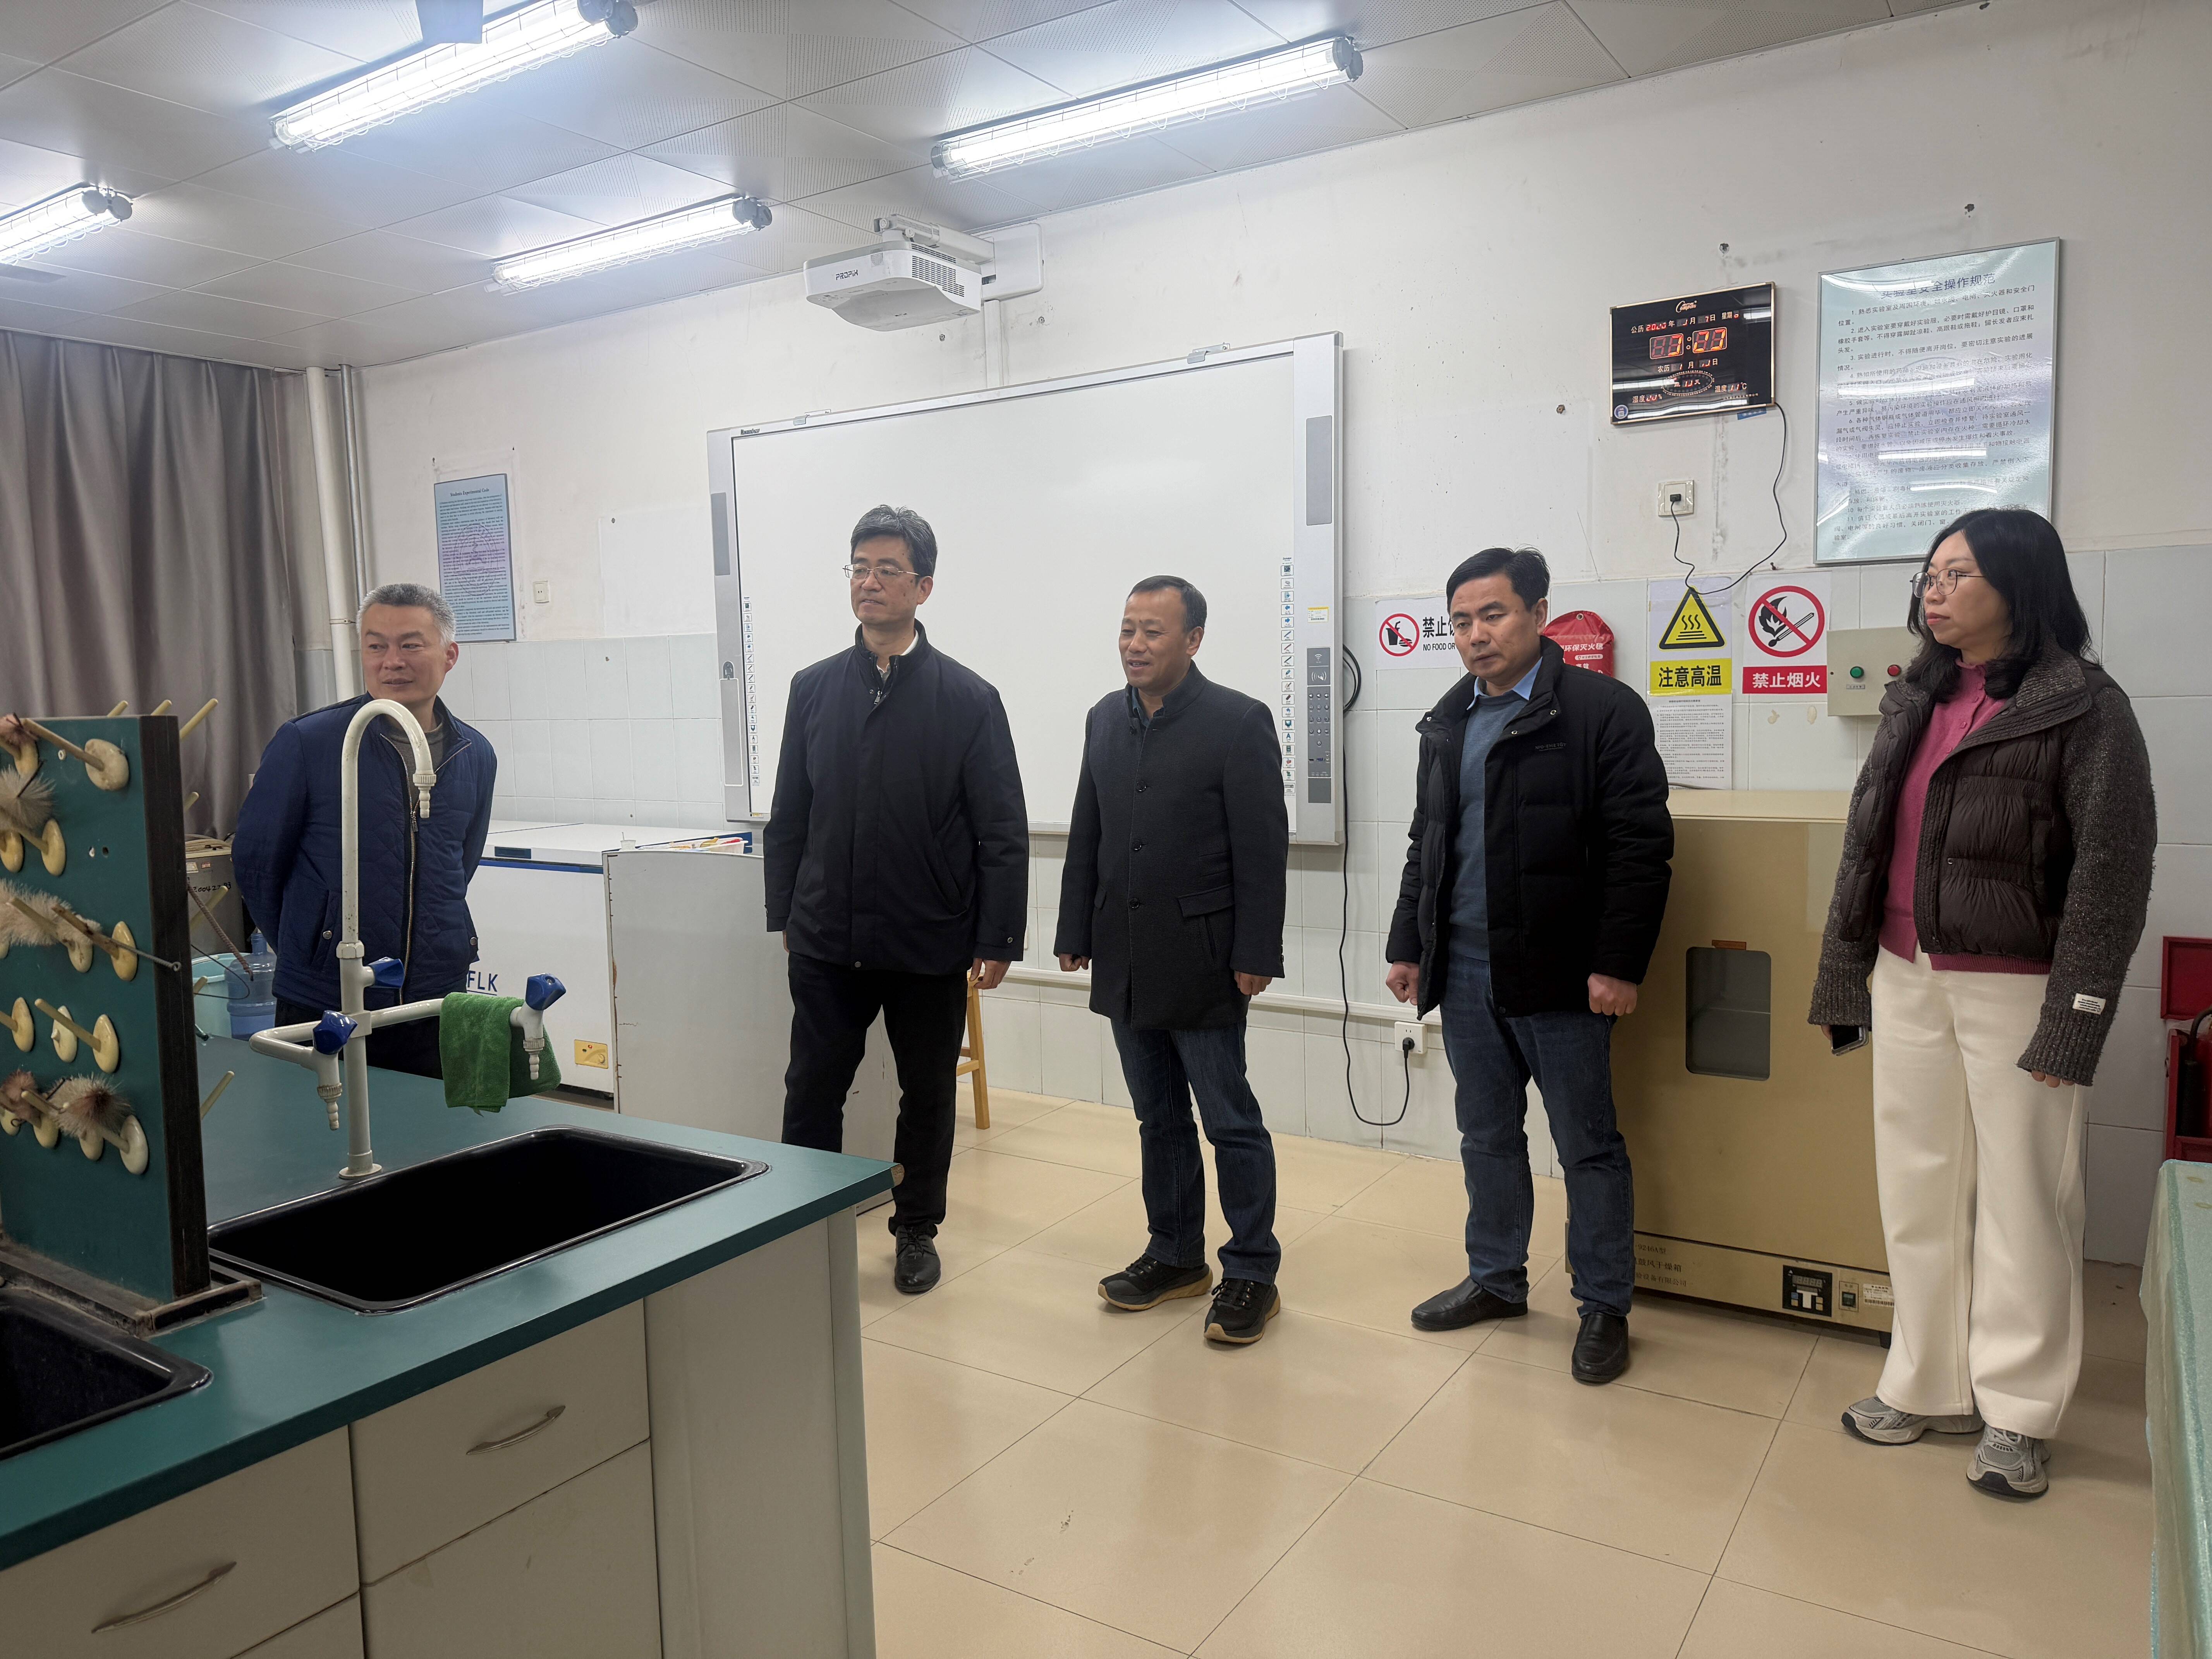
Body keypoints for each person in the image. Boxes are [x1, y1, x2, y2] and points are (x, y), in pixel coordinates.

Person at [1809, 507, 2155, 1500]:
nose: (1935, 589)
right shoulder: (1916, 694)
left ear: (2022, 585)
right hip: (1907, 967)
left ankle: (2019, 1412)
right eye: (1930, 573)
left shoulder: (2084, 706)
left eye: (1958, 574)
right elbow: (1870, 843)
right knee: (1918, 1183)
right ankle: (1926, 1382)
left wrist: (2075, 1019)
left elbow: (2112, 874)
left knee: (2025, 1197)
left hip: (2018, 983)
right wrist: (1847, 970)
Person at [1384, 547, 1671, 1384]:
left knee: (1587, 1144)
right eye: (1461, 621)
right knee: (1485, 1134)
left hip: (1563, 972)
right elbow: (1427, 843)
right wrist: (1408, 942)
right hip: (1466, 968)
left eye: (1493, 614)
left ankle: (1605, 1304)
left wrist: (1617, 964)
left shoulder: (1602, 711)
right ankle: (1496, 1277)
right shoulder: (1448, 720)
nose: (1476, 634)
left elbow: (1639, 848)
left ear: (1539, 614)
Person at [766, 505, 1027, 1297]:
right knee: (813, 1087)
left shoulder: (969, 698)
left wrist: (998, 937)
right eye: (858, 567)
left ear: (923, 587)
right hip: (827, 937)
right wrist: (787, 913)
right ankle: (804, 1227)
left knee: (927, 1093)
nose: (869, 582)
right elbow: (790, 813)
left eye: (886, 569)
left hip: (928, 937)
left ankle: (916, 1228)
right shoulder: (813, 689)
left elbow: (1001, 829)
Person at [1056, 576, 1290, 1345]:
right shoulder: (1103, 717)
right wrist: (1074, 926)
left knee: (1229, 1120)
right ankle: (1175, 1254)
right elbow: (1088, 830)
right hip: (1124, 955)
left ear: (1192, 640)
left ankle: (1251, 1269)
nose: (1134, 644)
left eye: (1152, 631)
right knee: (1157, 1116)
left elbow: (1263, 850)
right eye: (1127, 629)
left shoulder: (1237, 721)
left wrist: (1256, 950)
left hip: (1205, 956)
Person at [234, 583, 496, 1078]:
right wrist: (311, 945)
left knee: (425, 1122)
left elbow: (461, 862)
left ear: (449, 655)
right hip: (325, 993)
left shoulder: (475, 753)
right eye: (376, 646)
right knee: (322, 1121)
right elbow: (256, 863)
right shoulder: (310, 743)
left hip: (435, 994)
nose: (392, 661)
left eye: (410, 645)